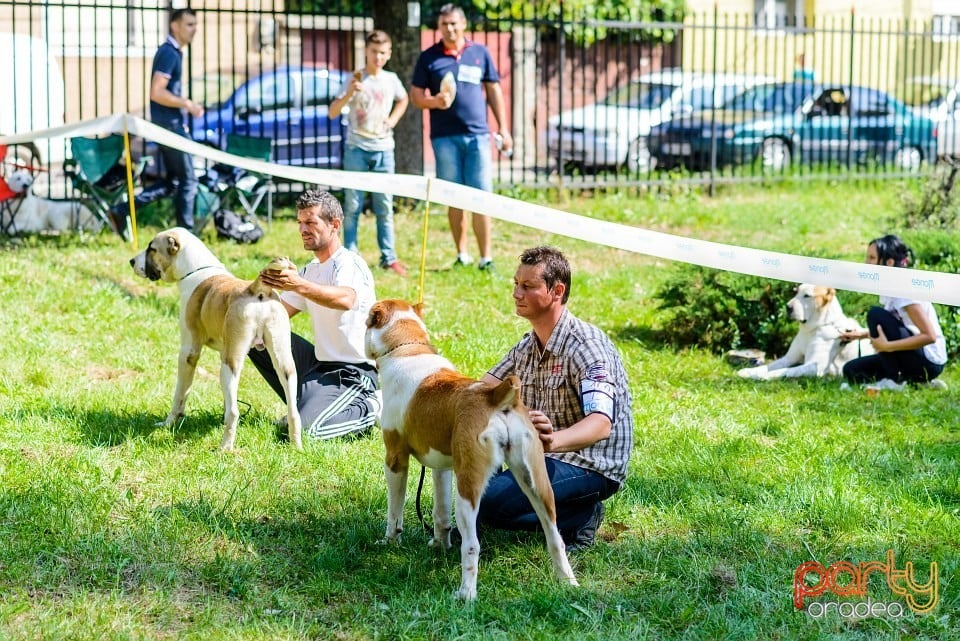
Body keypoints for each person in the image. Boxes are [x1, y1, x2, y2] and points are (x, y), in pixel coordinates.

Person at [477, 246, 634, 552]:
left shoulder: (586, 347)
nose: (516, 294)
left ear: (557, 291)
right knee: (476, 456)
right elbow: (481, 392)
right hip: (544, 456)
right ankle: (478, 520)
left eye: (528, 286)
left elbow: (600, 425)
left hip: (592, 464)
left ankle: (580, 516)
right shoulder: (528, 345)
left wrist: (552, 442)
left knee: (487, 502)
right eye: (515, 284)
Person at [249, 189, 380, 440]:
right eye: (300, 222)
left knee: (309, 432)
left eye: (310, 222)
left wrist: (297, 284)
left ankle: (370, 407)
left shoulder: (349, 263)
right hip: (318, 366)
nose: (302, 229)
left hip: (352, 372)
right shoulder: (310, 270)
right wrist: (264, 288)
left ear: (335, 225)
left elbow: (345, 299)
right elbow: (279, 315)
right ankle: (305, 406)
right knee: (256, 337)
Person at [411, 4, 513, 271]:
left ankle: (486, 258)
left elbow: (494, 91)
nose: (450, 28)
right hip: (444, 138)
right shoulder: (429, 57)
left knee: (481, 197)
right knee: (453, 197)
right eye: (444, 24)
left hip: (478, 136)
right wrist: (435, 101)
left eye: (454, 23)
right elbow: (416, 97)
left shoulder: (480, 53)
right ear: (439, 26)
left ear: (464, 24)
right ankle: (462, 254)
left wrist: (503, 127)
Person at [329, 30, 410, 277]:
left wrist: (393, 119)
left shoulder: (391, 79)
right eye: (374, 52)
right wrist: (350, 93)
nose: (378, 57)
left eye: (383, 53)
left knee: (384, 206)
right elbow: (333, 112)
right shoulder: (354, 78)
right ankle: (350, 256)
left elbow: (404, 99)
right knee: (352, 204)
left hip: (384, 149)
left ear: (389, 54)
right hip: (357, 147)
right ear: (366, 51)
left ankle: (389, 257)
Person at [841, 234, 948, 390]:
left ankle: (894, 381)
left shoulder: (904, 290)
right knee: (851, 370)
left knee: (875, 314)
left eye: (871, 258)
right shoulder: (889, 287)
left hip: (929, 361)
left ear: (889, 262)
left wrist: (887, 347)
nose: (866, 263)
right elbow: (895, 327)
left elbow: (929, 336)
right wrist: (861, 334)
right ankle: (919, 383)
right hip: (911, 355)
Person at [149, 8, 203, 231]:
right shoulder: (169, 53)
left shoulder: (174, 52)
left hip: (169, 125)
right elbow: (157, 92)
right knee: (189, 180)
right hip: (170, 127)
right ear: (175, 25)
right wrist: (186, 103)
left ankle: (121, 210)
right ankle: (187, 234)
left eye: (195, 25)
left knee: (173, 181)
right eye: (189, 24)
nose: (194, 30)